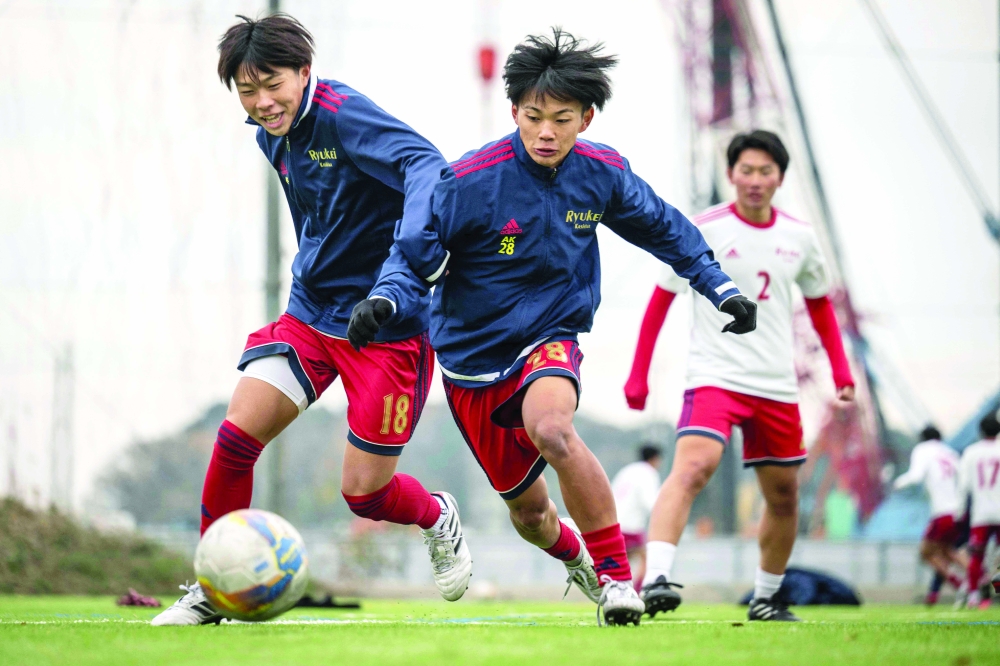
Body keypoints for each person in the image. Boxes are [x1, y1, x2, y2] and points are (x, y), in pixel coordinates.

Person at [350, 28, 756, 626]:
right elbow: (413, 255)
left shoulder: (601, 174)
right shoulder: (468, 181)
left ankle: (620, 582)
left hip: (550, 336)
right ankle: (577, 557)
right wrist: (384, 299)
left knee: (553, 429)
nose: (546, 132)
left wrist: (720, 286)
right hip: (470, 359)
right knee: (531, 517)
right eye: (534, 116)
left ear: (586, 118)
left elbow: (666, 229)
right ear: (514, 110)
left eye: (562, 118)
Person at [152, 14, 470, 626]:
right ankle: (213, 590)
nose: (261, 101)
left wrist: (403, 273)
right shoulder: (271, 135)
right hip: (311, 314)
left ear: (303, 71)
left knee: (365, 494)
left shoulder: (345, 113)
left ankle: (436, 516)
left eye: (271, 83)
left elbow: (427, 165)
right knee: (235, 439)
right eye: (246, 91)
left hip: (384, 328)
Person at [624, 130, 855, 622]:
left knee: (785, 495)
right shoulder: (700, 228)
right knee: (694, 467)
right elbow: (662, 298)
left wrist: (841, 371)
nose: (754, 180)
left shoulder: (800, 238)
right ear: (731, 174)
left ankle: (767, 598)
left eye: (764, 171)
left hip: (775, 384)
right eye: (745, 171)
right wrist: (638, 374)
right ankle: (657, 577)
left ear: (780, 178)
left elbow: (820, 307)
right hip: (716, 375)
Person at [892, 425, 967, 604]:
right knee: (948, 551)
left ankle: (964, 583)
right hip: (959, 511)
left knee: (926, 553)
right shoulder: (950, 452)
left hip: (942, 512)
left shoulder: (923, 450)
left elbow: (916, 476)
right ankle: (978, 580)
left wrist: (898, 483)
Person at [957, 413, 1000, 609]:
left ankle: (974, 595)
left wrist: (959, 512)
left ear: (980, 431)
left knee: (976, 556)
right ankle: (995, 591)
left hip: (981, 513)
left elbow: (964, 485)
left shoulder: (971, 452)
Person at [611, 445, 664, 591]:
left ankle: (618, 589)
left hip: (615, 522)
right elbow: (650, 502)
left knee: (623, 560)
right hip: (631, 525)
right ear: (655, 459)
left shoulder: (627, 470)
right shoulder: (649, 473)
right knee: (645, 560)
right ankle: (636, 591)